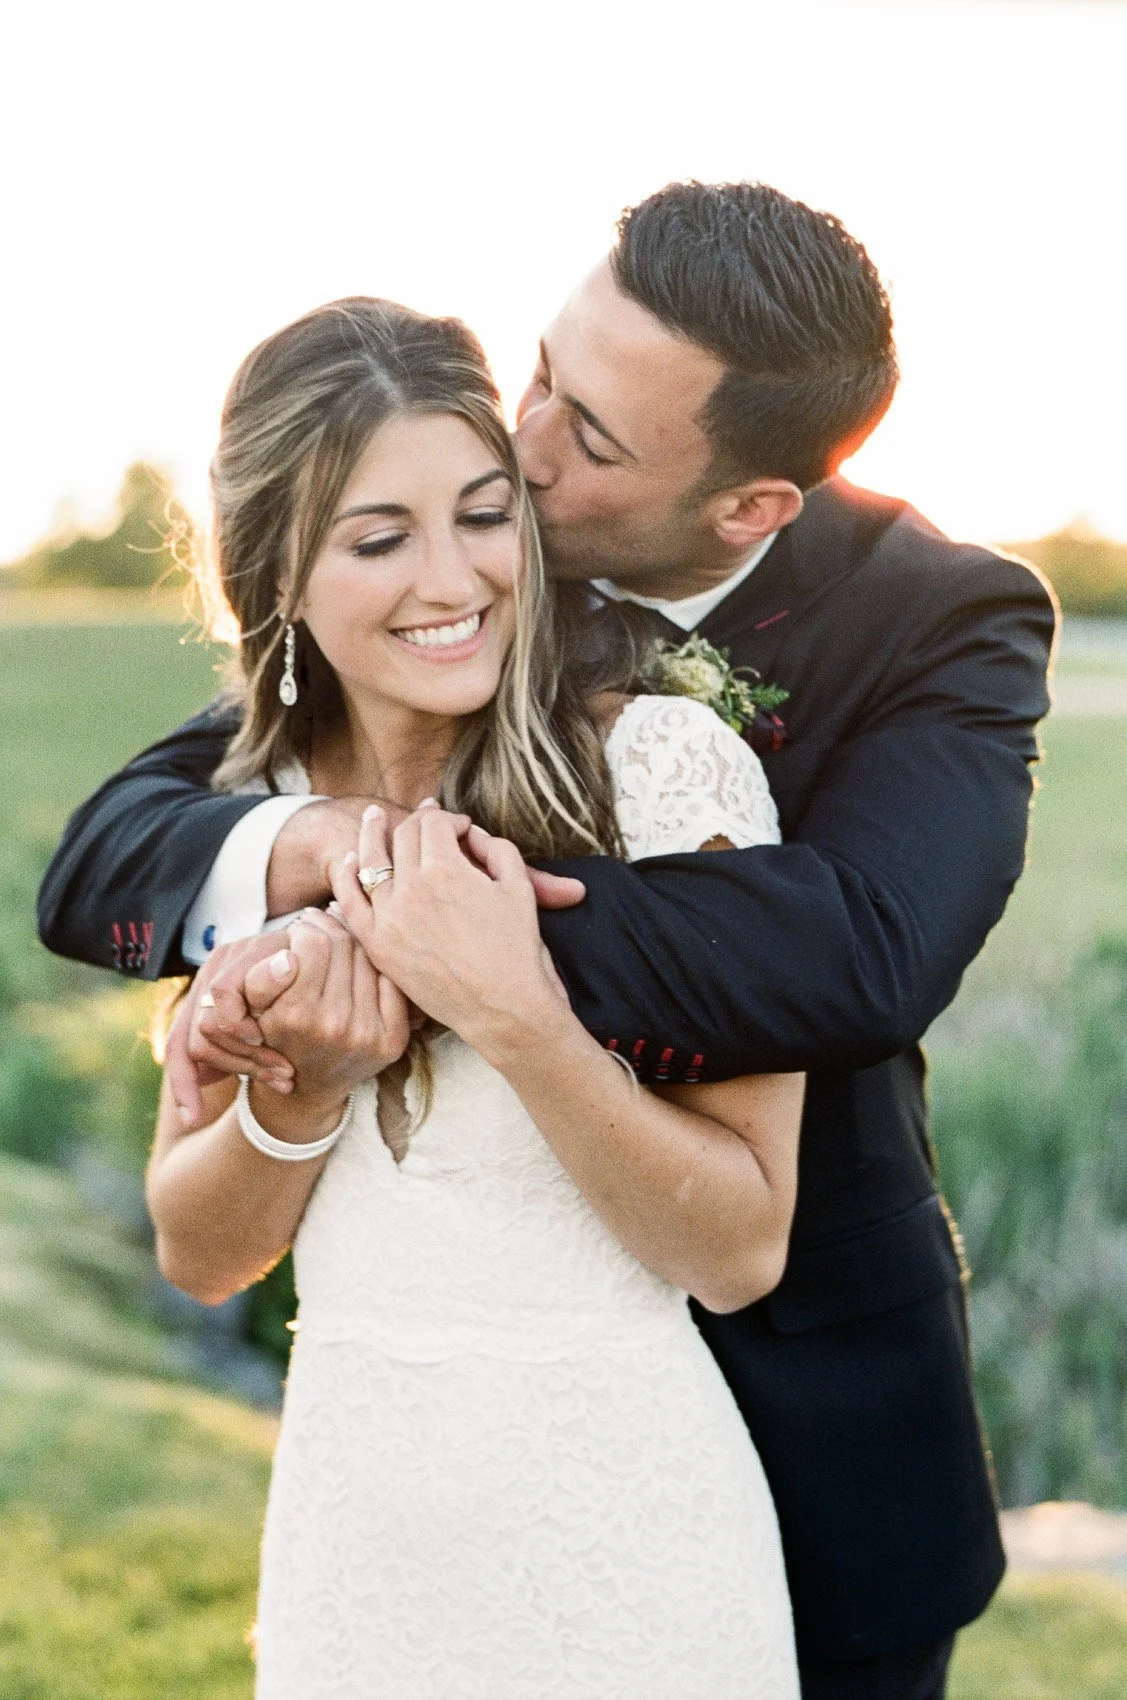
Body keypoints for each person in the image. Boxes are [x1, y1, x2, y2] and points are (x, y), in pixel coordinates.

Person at [38, 181, 1057, 1698]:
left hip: (806, 1409)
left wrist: (440, 946)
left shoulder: (938, 618)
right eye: (539, 375)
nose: (520, 447)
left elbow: (863, 954)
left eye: (589, 435)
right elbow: (121, 851)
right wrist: (318, 867)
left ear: (748, 506)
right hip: (393, 1489)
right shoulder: (462, 566)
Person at [142, 296, 805, 1697]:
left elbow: (740, 1247)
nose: (453, 579)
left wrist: (516, 1016)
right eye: (379, 539)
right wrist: (301, 1095)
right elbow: (200, 1255)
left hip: (624, 1553)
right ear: (273, 574)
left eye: (483, 515)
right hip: (353, 1554)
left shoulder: (664, 774)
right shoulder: (254, 823)